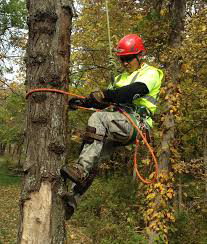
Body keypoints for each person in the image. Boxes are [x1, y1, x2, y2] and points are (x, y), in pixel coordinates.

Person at [61, 34, 164, 219]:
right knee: (93, 153)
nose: (125, 63)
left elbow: (133, 91)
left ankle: (80, 169)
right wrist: (83, 101)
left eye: (128, 58)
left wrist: (106, 94)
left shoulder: (151, 73)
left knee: (98, 119)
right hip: (119, 122)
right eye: (122, 59)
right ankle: (72, 201)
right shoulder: (119, 78)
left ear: (140, 55)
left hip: (137, 124)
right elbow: (103, 102)